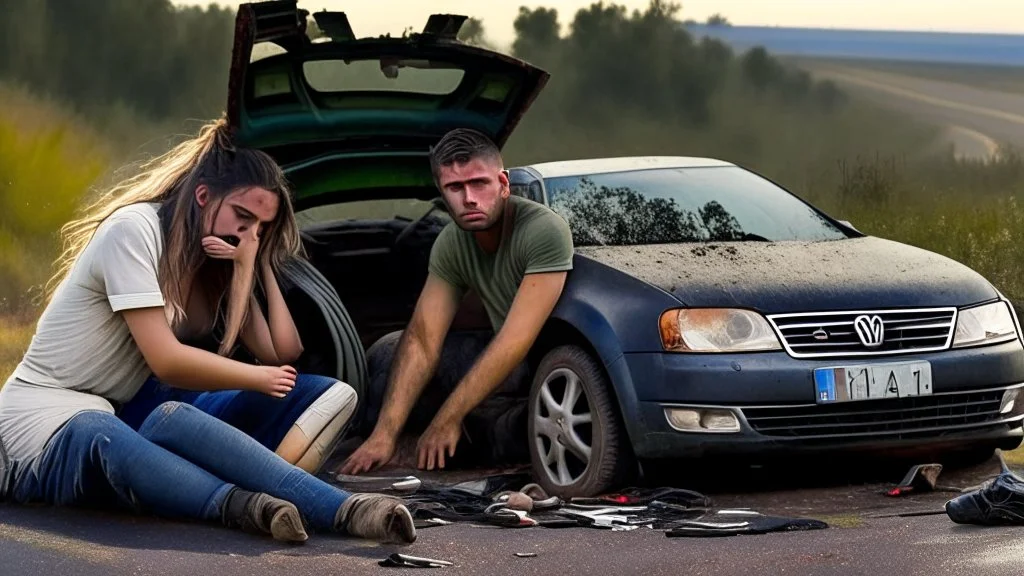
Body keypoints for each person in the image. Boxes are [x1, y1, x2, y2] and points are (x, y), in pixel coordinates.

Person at [0, 118, 414, 544]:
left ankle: (346, 508)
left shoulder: (214, 264)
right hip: (42, 421)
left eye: (261, 227)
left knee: (174, 415)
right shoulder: (132, 232)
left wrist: (250, 264)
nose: (248, 232)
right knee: (99, 428)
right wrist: (257, 377)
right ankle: (283, 506)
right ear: (203, 196)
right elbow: (168, 361)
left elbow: (270, 350)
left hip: (120, 408)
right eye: (242, 216)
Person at [340, 128, 574, 474]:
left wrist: (447, 418)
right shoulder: (451, 242)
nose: (469, 198)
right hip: (499, 356)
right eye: (455, 187)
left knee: (508, 436)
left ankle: (466, 440)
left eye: (479, 183)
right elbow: (423, 339)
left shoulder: (543, 230)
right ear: (442, 194)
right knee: (388, 351)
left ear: (503, 184)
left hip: (548, 368)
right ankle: (395, 443)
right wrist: (383, 435)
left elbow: (515, 341)